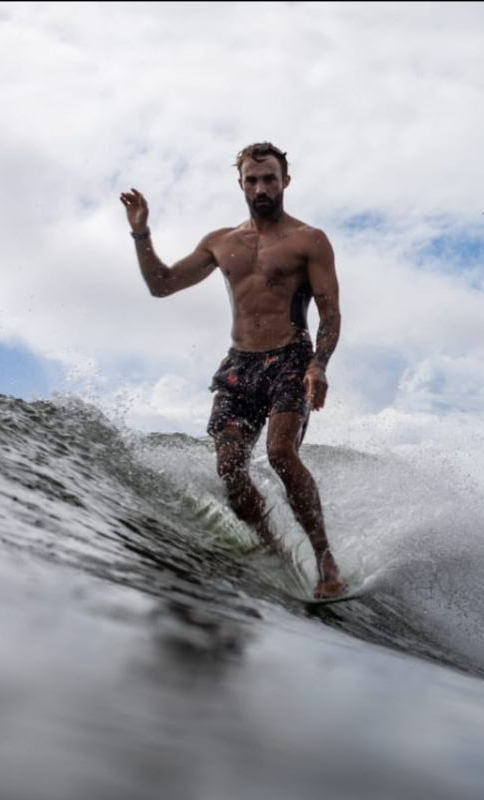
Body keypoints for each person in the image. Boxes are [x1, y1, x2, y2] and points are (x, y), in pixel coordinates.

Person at [120, 142, 345, 599]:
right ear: (240, 183)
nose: (261, 187)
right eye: (252, 179)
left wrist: (318, 366)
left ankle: (325, 560)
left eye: (269, 178)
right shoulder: (221, 242)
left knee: (282, 453)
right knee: (229, 468)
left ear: (285, 181)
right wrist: (141, 234)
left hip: (291, 359)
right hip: (240, 365)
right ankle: (276, 553)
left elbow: (331, 311)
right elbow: (161, 285)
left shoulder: (309, 240)